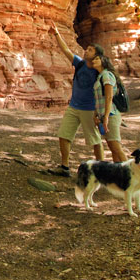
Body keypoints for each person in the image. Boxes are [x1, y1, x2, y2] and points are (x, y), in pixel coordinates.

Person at [47, 25, 101, 176]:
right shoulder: (80, 63)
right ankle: (64, 167)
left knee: (94, 140)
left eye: (90, 50)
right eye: (87, 49)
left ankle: (101, 168)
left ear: (96, 55)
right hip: (73, 106)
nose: (86, 51)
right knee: (64, 135)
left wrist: (100, 112)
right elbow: (66, 51)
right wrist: (56, 34)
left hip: (89, 109)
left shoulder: (98, 70)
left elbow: (105, 91)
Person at [90, 49, 128, 163]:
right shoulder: (100, 76)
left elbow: (109, 97)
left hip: (111, 115)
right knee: (113, 147)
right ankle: (118, 173)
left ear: (104, 62)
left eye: (97, 59)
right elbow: (98, 99)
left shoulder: (107, 75)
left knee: (116, 147)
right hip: (105, 116)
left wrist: (106, 116)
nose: (94, 60)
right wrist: (96, 115)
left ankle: (129, 176)